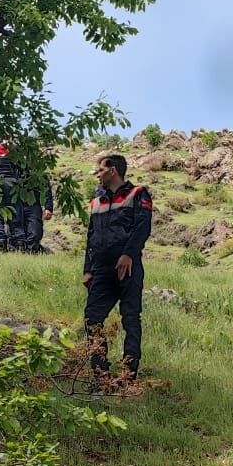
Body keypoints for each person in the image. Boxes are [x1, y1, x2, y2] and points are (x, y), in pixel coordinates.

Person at [81, 152, 153, 378]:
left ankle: (128, 374)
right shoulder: (96, 201)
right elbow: (91, 237)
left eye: (100, 170)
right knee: (92, 318)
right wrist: (87, 269)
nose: (97, 175)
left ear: (113, 170)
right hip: (101, 270)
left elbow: (142, 227)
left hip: (128, 267)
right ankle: (100, 375)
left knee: (130, 318)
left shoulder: (138, 194)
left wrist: (128, 254)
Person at [0, 141, 55, 252]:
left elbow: (45, 186)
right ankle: (16, 246)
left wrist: (48, 207)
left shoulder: (35, 170)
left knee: (33, 232)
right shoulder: (13, 155)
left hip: (30, 203)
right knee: (15, 223)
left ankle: (23, 249)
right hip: (16, 196)